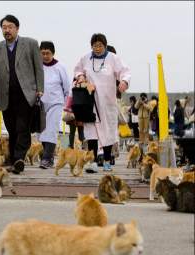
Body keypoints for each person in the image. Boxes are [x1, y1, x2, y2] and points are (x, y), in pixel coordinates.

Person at [0, 14, 44, 174]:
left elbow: (39, 68)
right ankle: (14, 159)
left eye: (10, 27)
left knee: (22, 127)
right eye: (4, 27)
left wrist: (40, 88)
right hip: (6, 95)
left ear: (17, 28)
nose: (7, 30)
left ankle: (18, 159)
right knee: (12, 129)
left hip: (26, 93)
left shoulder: (30, 44)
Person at [73, 33, 131, 172]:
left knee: (108, 132)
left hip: (107, 102)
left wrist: (124, 81)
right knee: (91, 132)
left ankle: (106, 160)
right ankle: (92, 162)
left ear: (105, 45)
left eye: (100, 45)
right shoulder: (85, 58)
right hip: (90, 101)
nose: (97, 48)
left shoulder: (113, 58)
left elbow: (125, 72)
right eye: (94, 46)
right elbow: (78, 70)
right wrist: (81, 77)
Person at [38, 41, 70, 169]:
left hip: (56, 102)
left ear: (53, 53)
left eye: (48, 53)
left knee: (51, 130)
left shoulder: (60, 67)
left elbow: (67, 87)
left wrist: (68, 106)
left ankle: (46, 158)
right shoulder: (37, 66)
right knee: (41, 132)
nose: (45, 56)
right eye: (43, 53)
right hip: (40, 103)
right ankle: (49, 156)